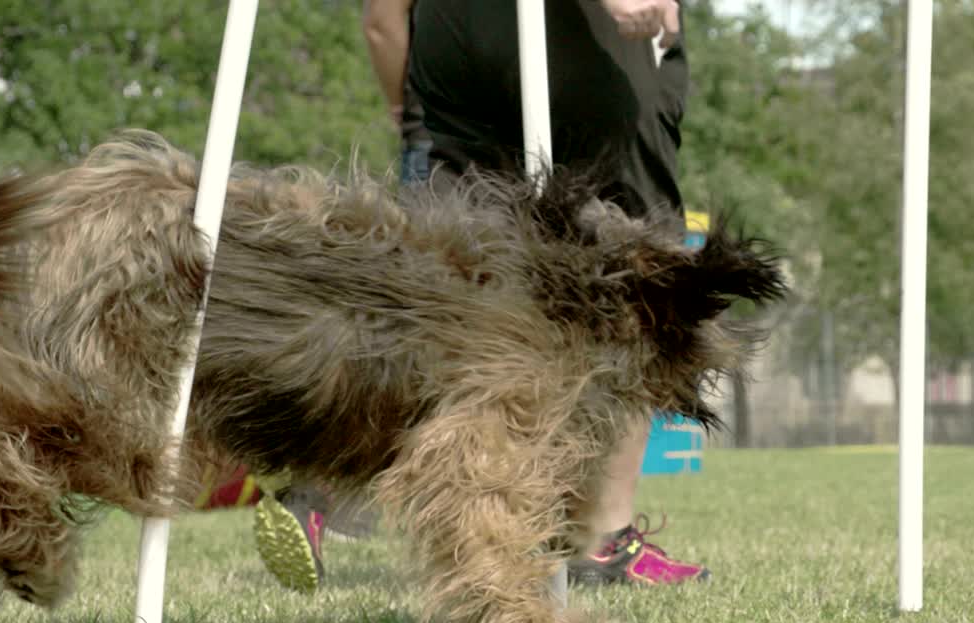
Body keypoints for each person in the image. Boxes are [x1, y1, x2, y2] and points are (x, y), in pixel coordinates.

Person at [247, 0, 708, 592]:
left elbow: (383, 22)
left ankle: (325, 479)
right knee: (638, 279)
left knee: (438, 291)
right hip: (595, 49)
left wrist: (409, 108)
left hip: (453, 56)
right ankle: (601, 539)